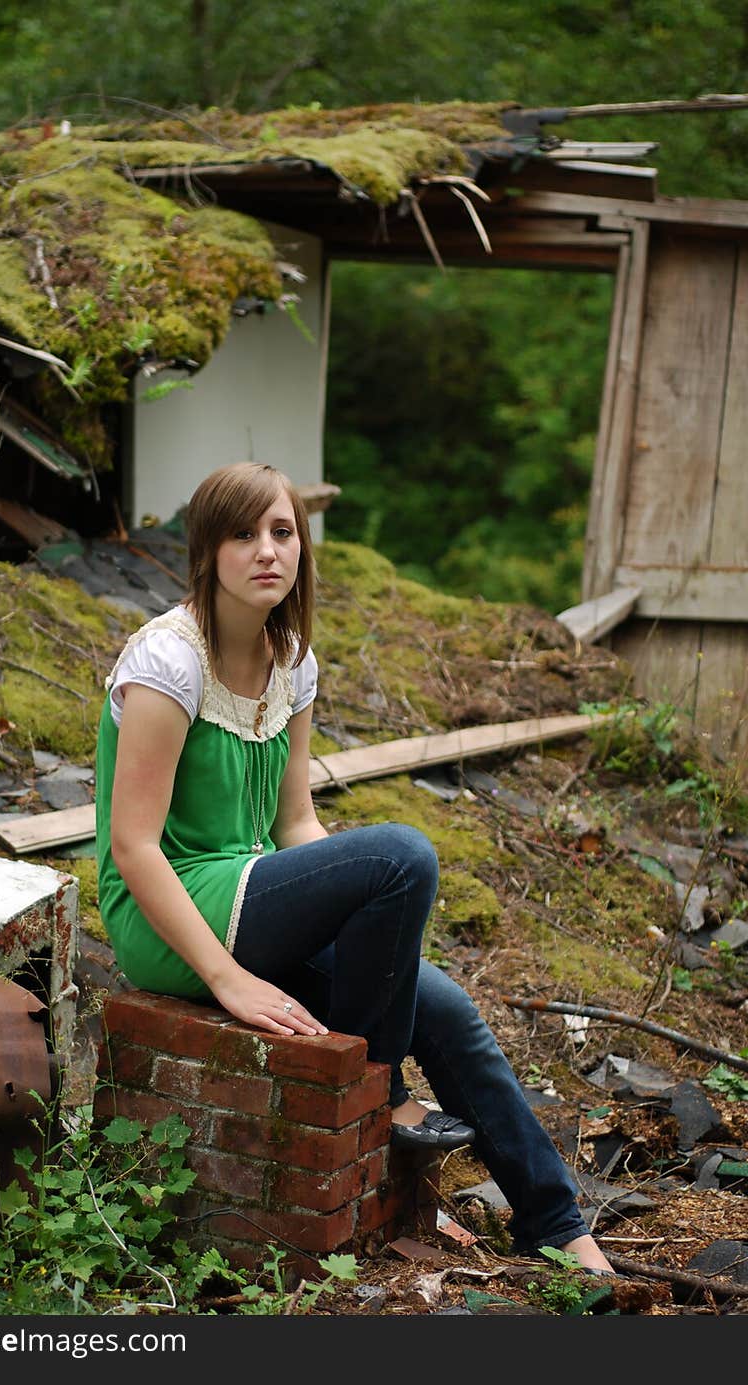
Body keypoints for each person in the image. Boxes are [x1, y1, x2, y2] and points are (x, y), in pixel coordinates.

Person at [95, 461, 613, 1273]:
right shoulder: (168, 661)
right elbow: (135, 847)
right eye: (242, 533)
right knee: (403, 853)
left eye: (282, 531)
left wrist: (361, 914)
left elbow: (296, 823)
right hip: (169, 913)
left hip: (253, 889)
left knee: (444, 1005)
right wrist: (229, 978)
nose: (266, 550)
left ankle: (557, 1222)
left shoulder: (291, 661)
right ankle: (386, 1089)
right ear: (207, 549)